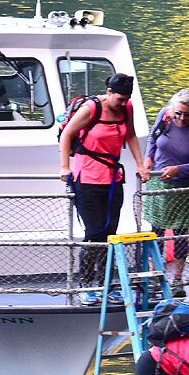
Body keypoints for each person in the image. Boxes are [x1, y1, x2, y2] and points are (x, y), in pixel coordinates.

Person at [59, 73, 149, 300]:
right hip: (87, 178)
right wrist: (64, 167)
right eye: (119, 98)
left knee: (110, 234)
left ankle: (106, 285)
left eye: (125, 99)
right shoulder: (91, 109)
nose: (122, 103)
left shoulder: (127, 108)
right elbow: (67, 135)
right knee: (94, 233)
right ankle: (86, 285)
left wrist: (140, 164)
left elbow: (130, 135)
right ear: (109, 92)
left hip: (112, 180)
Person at [142, 89, 189, 297]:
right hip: (159, 184)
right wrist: (148, 160)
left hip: (183, 186)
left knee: (181, 233)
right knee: (157, 231)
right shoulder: (165, 116)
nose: (181, 118)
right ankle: (155, 275)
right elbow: (152, 141)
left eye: (186, 114)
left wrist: (178, 170)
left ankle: (178, 279)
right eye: (178, 113)